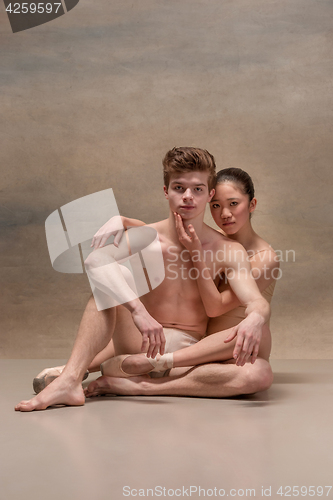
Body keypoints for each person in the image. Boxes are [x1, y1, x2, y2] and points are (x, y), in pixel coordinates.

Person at [15, 148, 270, 412]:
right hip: (139, 341)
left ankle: (139, 384)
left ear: (210, 194)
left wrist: (255, 317)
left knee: (259, 371)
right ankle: (70, 379)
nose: (187, 197)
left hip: (186, 354)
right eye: (179, 187)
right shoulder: (145, 236)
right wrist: (139, 312)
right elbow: (95, 261)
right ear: (165, 191)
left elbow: (256, 301)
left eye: (197, 189)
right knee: (111, 278)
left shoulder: (227, 249)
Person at [84, 167, 278, 398]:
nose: (225, 213)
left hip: (225, 343)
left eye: (234, 204)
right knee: (112, 283)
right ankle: (79, 369)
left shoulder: (263, 257)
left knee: (260, 333)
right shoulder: (217, 238)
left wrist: (196, 254)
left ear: (252, 204)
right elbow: (163, 233)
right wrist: (123, 220)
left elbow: (215, 308)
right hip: (196, 340)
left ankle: (147, 380)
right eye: (216, 205)